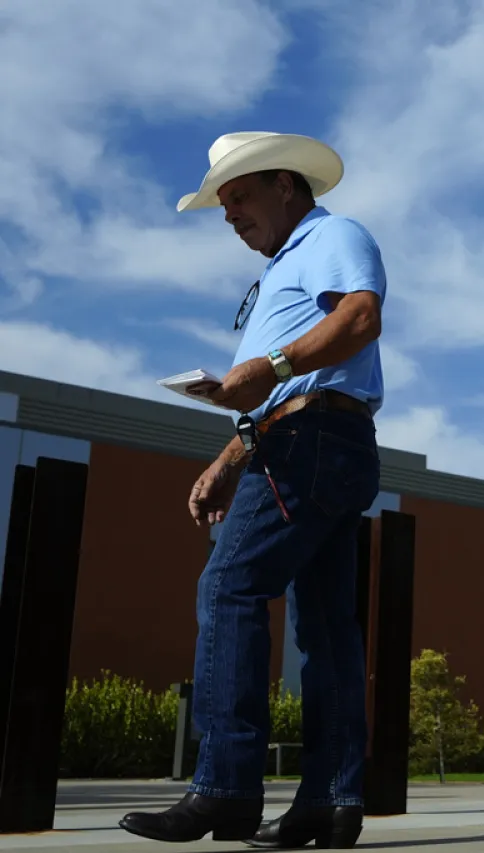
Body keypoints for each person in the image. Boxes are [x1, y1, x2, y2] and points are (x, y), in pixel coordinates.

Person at [119, 132, 386, 849]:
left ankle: (225, 786)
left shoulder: (332, 235)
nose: (229, 214)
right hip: (315, 439)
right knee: (326, 627)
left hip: (313, 444)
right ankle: (331, 802)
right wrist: (228, 459)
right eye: (223, 203)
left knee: (229, 588)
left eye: (239, 195)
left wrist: (266, 365)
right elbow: (289, 387)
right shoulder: (286, 271)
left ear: (286, 187)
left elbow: (360, 318)